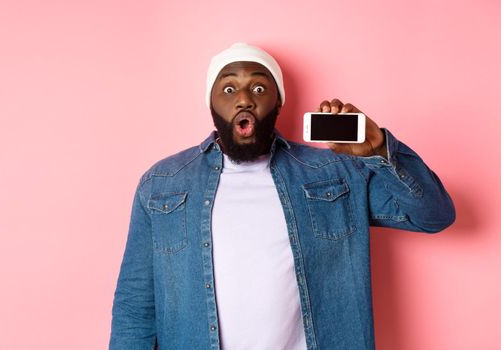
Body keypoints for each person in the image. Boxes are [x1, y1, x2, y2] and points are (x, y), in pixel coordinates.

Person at [108, 42, 455, 350]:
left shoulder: (336, 172)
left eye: (259, 87)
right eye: (228, 88)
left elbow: (433, 215)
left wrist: (377, 150)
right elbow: (135, 305)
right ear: (210, 103)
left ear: (278, 101)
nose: (244, 98)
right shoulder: (163, 183)